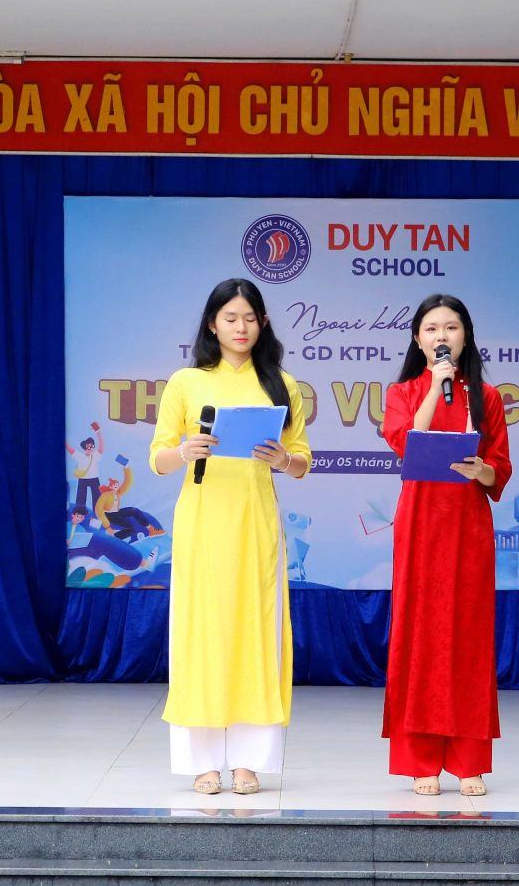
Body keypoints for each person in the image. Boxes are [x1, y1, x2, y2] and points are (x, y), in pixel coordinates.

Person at [149, 278, 311, 795]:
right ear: (212, 325)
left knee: (256, 635)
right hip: (202, 524)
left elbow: (302, 461)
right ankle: (202, 762)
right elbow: (157, 458)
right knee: (201, 635)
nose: (241, 327)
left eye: (249, 318)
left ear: (263, 323)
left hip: (256, 524)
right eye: (230, 318)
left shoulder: (281, 385)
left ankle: (248, 761)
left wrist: (283, 459)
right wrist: (186, 451)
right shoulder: (186, 382)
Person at [381, 293, 512, 797]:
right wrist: (437, 388)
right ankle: (421, 761)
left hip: (467, 527)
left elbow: (500, 467)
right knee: (419, 638)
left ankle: (467, 759)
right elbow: (405, 440)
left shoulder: (489, 396)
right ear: (418, 340)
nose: (442, 336)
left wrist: (482, 470)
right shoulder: (404, 392)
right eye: (432, 328)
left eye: (451, 327)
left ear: (466, 337)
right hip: (419, 526)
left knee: (467, 639)